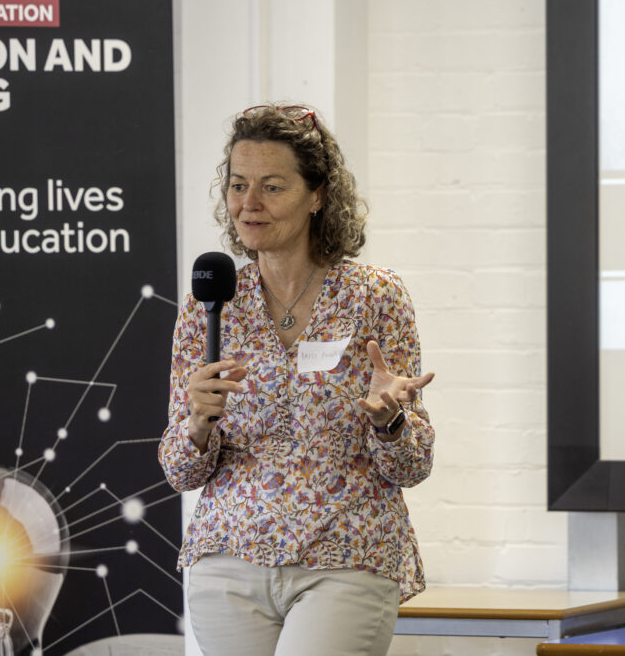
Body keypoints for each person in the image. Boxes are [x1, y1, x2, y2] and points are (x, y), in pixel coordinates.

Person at [159, 104, 435, 656]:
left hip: (346, 554)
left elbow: (413, 464)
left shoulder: (374, 296)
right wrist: (194, 423)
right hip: (228, 559)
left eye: (271, 186)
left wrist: (390, 421)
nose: (248, 204)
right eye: (238, 185)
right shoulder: (209, 305)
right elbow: (178, 470)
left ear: (317, 195)